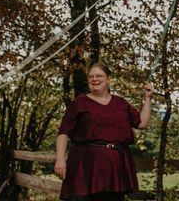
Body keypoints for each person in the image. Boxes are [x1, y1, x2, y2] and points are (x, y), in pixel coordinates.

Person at [54, 62, 153, 201]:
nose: (94, 79)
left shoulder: (121, 103)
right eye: (91, 76)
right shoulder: (79, 102)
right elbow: (63, 132)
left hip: (114, 168)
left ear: (108, 79)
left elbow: (142, 123)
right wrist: (60, 159)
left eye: (99, 75)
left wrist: (147, 99)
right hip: (84, 167)